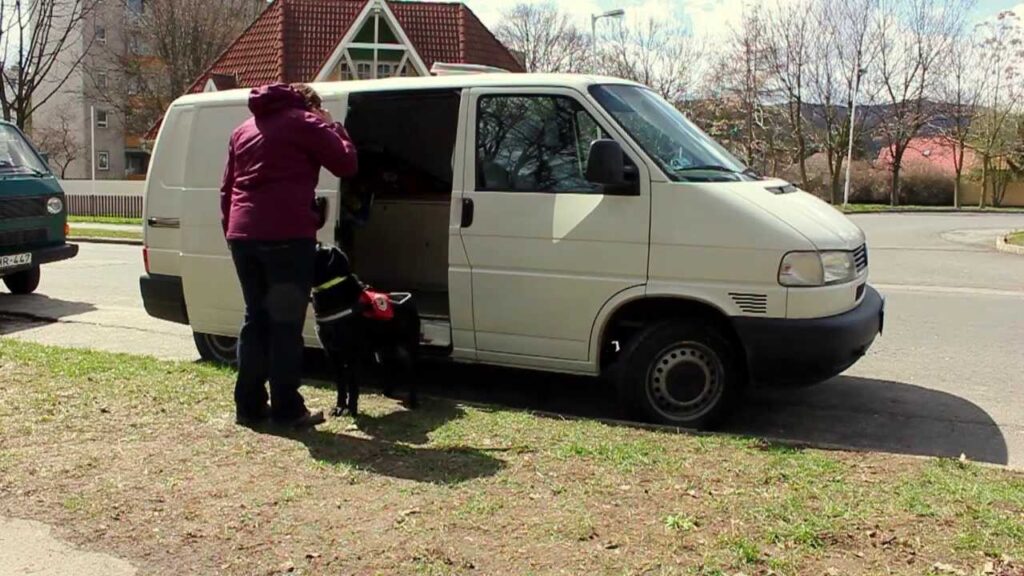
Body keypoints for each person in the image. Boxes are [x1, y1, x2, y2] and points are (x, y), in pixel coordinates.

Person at [221, 83, 358, 428]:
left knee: (256, 319)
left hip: (243, 234)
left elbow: (227, 188)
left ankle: (249, 406)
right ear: (309, 104)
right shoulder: (306, 123)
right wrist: (331, 125)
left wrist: (232, 232)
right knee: (285, 324)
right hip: (286, 235)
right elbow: (346, 164)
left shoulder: (242, 130)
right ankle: (287, 407)